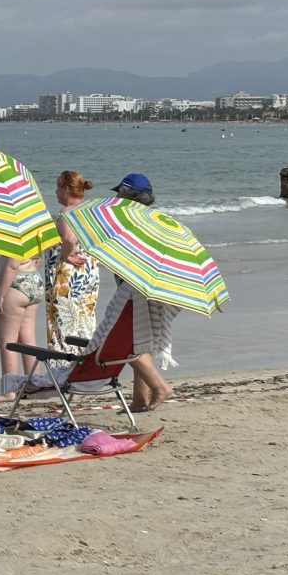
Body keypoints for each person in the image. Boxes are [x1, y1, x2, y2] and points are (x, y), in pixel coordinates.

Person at [110, 172, 174, 412]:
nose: (116, 197)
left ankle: (160, 386)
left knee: (129, 345)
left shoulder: (129, 222)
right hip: (151, 286)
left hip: (133, 288)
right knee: (141, 343)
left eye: (120, 193)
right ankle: (139, 400)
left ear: (128, 195)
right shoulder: (155, 219)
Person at [44, 171, 101, 357]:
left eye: (58, 187)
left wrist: (66, 254)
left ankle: (64, 369)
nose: (55, 192)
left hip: (67, 277)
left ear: (67, 189)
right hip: (88, 273)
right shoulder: (89, 211)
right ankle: (85, 363)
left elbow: (69, 238)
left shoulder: (66, 213)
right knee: (85, 320)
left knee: (64, 322)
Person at [0, 253, 42, 401]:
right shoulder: (31, 231)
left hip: (15, 283)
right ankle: (33, 384)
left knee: (7, 341)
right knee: (28, 339)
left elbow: (12, 265)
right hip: (33, 279)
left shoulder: (14, 235)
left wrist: (0, 294)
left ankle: (9, 390)